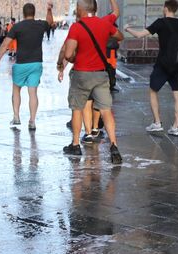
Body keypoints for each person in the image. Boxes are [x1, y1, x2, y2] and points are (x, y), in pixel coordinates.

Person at [57, 0, 124, 164]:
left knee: (77, 108)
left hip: (81, 75)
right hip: (101, 75)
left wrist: (66, 62)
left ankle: (75, 145)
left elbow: (68, 53)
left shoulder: (76, 27)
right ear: (96, 9)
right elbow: (119, 36)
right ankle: (114, 146)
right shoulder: (104, 23)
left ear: (80, 9)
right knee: (106, 110)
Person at [125, 0, 178, 136]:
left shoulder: (161, 22)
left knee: (153, 91)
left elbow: (139, 35)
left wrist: (127, 28)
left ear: (165, 8)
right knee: (177, 94)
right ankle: (176, 127)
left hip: (163, 64)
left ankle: (157, 123)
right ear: (176, 9)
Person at [0, 3, 54, 130]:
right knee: (33, 93)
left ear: (23, 13)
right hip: (36, 63)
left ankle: (16, 117)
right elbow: (50, 22)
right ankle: (32, 121)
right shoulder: (40, 24)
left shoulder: (17, 27)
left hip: (21, 63)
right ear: (34, 13)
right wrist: (49, 10)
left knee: (16, 90)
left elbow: (5, 43)